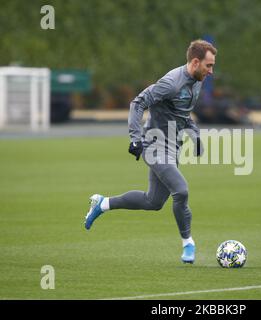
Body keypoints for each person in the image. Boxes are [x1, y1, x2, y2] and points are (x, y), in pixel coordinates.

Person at [84, 39, 217, 264]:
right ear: (195, 62)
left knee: (153, 202)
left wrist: (194, 134)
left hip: (172, 147)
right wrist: (135, 139)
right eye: (209, 66)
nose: (211, 71)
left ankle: (103, 203)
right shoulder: (171, 83)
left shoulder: (197, 79)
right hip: (154, 146)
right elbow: (137, 103)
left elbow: (182, 114)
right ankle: (188, 244)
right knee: (181, 191)